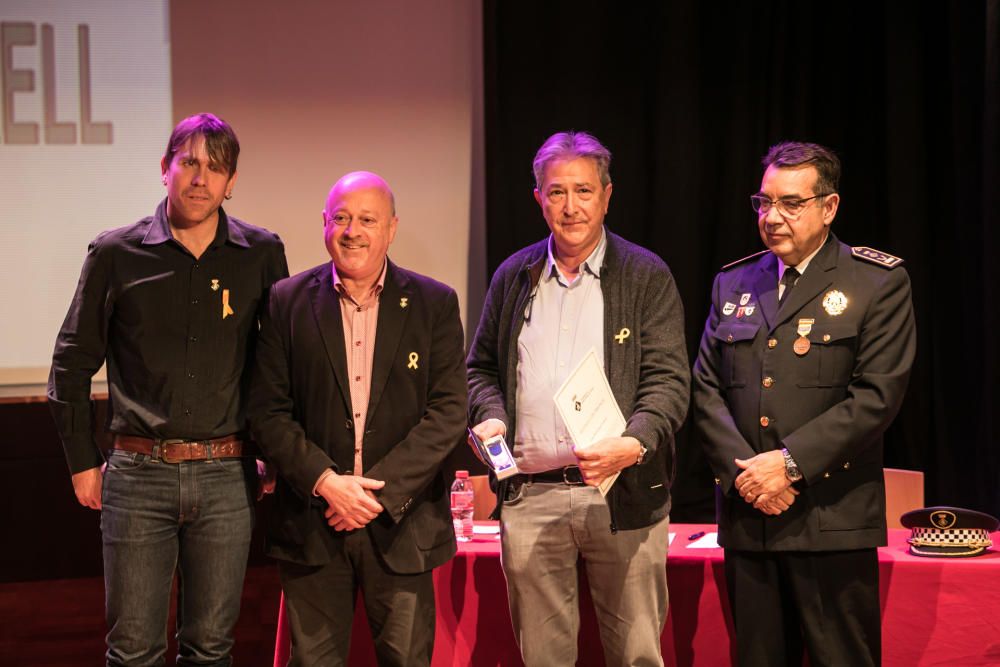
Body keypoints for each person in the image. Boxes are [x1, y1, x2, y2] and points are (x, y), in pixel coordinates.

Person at [48, 112, 288, 666]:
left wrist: (275, 455)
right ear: (165, 169)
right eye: (189, 163)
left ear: (232, 182)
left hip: (228, 475)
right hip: (137, 476)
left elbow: (279, 363)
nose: (201, 179)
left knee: (210, 650)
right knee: (133, 652)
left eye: (216, 168)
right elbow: (71, 362)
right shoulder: (115, 253)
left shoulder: (261, 254)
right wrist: (82, 461)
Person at [466, 131, 690, 666]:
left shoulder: (645, 275)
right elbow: (480, 370)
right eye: (557, 191)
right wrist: (491, 418)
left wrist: (633, 444)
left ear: (607, 196)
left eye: (584, 191)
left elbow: (669, 383)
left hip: (621, 494)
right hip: (532, 495)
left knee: (636, 656)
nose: (571, 207)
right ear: (538, 198)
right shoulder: (514, 276)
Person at [692, 141, 917, 666]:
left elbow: (876, 397)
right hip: (752, 519)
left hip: (830, 520)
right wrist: (746, 477)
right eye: (764, 202)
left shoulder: (876, 282)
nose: (772, 217)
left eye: (790, 203)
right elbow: (704, 387)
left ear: (829, 207)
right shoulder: (734, 281)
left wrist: (788, 465)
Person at [249, 171, 467, 666]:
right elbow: (267, 411)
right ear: (324, 225)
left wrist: (377, 495)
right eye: (342, 218)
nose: (353, 231)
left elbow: (450, 411)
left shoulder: (435, 303)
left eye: (367, 219)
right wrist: (327, 482)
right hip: (313, 523)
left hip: (402, 527)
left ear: (391, 228)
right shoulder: (286, 301)